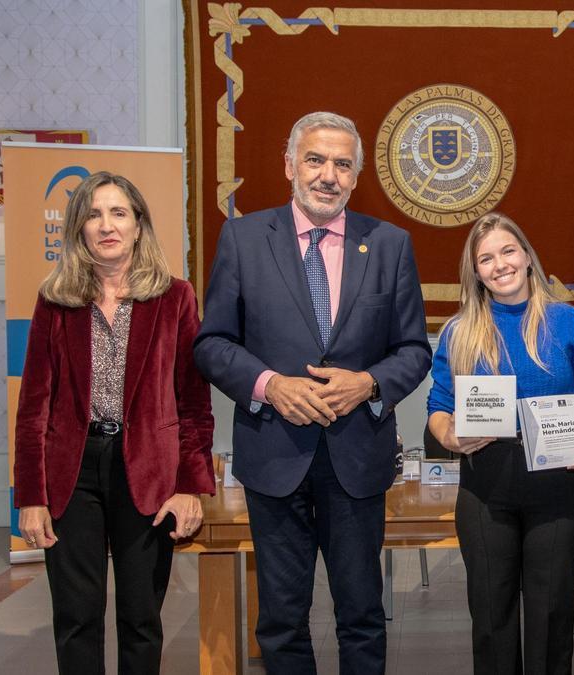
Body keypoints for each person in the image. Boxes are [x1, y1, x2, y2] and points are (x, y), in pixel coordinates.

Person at [194, 111, 431, 674]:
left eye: (342, 164)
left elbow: (414, 351)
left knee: (362, 617)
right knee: (280, 621)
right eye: (316, 159)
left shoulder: (390, 244)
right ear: (289, 166)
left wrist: (369, 382)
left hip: (357, 460)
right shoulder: (244, 238)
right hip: (275, 459)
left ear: (356, 175)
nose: (328, 175)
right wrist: (269, 384)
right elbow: (212, 344)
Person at [14, 171, 216, 674]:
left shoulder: (175, 297)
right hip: (71, 473)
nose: (107, 225)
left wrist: (191, 485)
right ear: (79, 228)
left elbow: (193, 402)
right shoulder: (55, 299)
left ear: (139, 224)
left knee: (141, 618)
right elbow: (34, 405)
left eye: (119, 212)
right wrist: (31, 496)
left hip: (147, 470)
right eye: (94, 214)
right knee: (76, 616)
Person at [426, 212, 574, 675]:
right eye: (485, 258)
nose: (499, 264)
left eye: (508, 251)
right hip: (485, 486)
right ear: (476, 271)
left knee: (552, 615)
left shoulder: (568, 323)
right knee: (491, 616)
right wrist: (450, 435)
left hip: (557, 483)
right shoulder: (459, 331)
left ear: (527, 256)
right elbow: (439, 405)